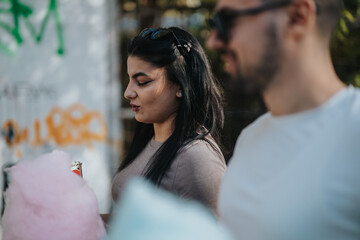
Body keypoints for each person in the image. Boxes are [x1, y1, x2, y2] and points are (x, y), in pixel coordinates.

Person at [207, 0, 360, 239]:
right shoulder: (250, 138)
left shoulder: (354, 129)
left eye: (227, 21)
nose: (213, 40)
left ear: (297, 17)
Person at [111, 27, 226, 219]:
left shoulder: (196, 160)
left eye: (142, 81)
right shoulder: (150, 137)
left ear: (180, 87)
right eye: (130, 80)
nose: (128, 92)